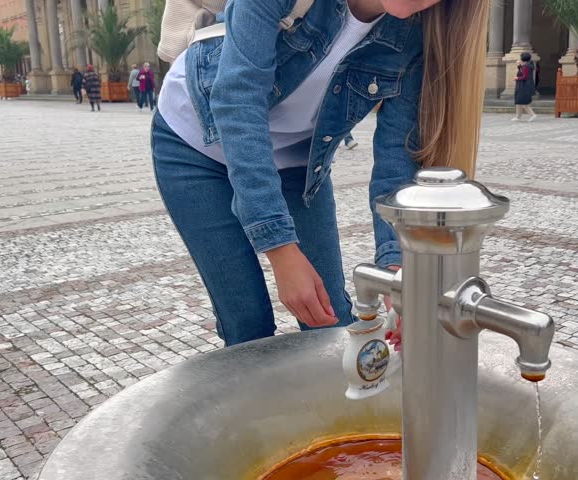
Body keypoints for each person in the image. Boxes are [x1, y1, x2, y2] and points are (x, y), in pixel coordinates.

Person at [153, 0, 490, 347]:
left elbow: (395, 161)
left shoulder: (415, 35)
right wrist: (281, 248)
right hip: (193, 144)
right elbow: (238, 99)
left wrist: (396, 273)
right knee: (248, 325)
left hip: (295, 162)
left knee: (330, 323)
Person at [512, 53, 536, 122]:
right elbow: (522, 72)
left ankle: (533, 115)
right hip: (523, 85)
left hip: (524, 86)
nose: (519, 58)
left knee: (523, 102)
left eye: (520, 57)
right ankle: (518, 117)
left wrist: (517, 78)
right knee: (519, 101)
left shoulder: (526, 66)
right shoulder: (526, 65)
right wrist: (519, 65)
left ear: (523, 59)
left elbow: (524, 77)